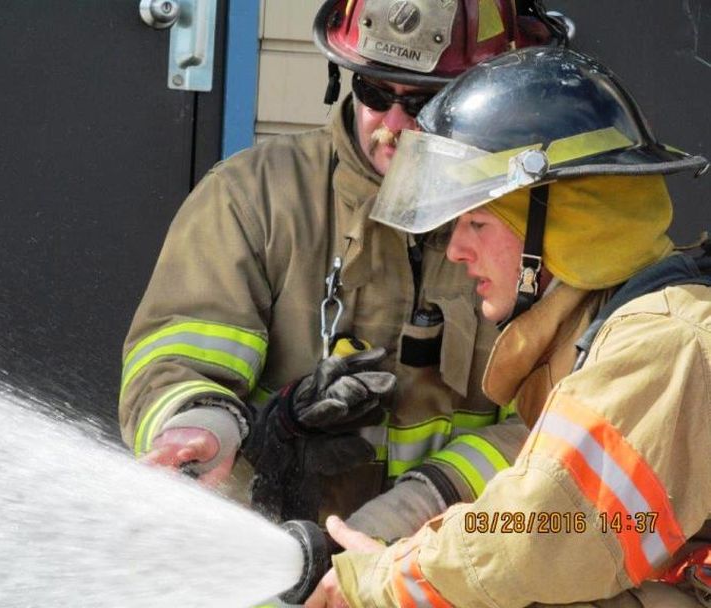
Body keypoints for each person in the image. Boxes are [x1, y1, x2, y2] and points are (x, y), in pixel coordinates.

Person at [118, 0, 568, 539]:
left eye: (425, 102)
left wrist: (419, 507)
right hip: (270, 566)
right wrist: (204, 425)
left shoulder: (535, 226)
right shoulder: (254, 198)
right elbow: (174, 357)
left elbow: (561, 426)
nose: (394, 126)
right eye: (375, 93)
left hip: (446, 567)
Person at [307, 46, 711, 607]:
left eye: (476, 222)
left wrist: (382, 580)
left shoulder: (665, 342)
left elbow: (538, 539)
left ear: (564, 228)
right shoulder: (611, 326)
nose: (456, 251)